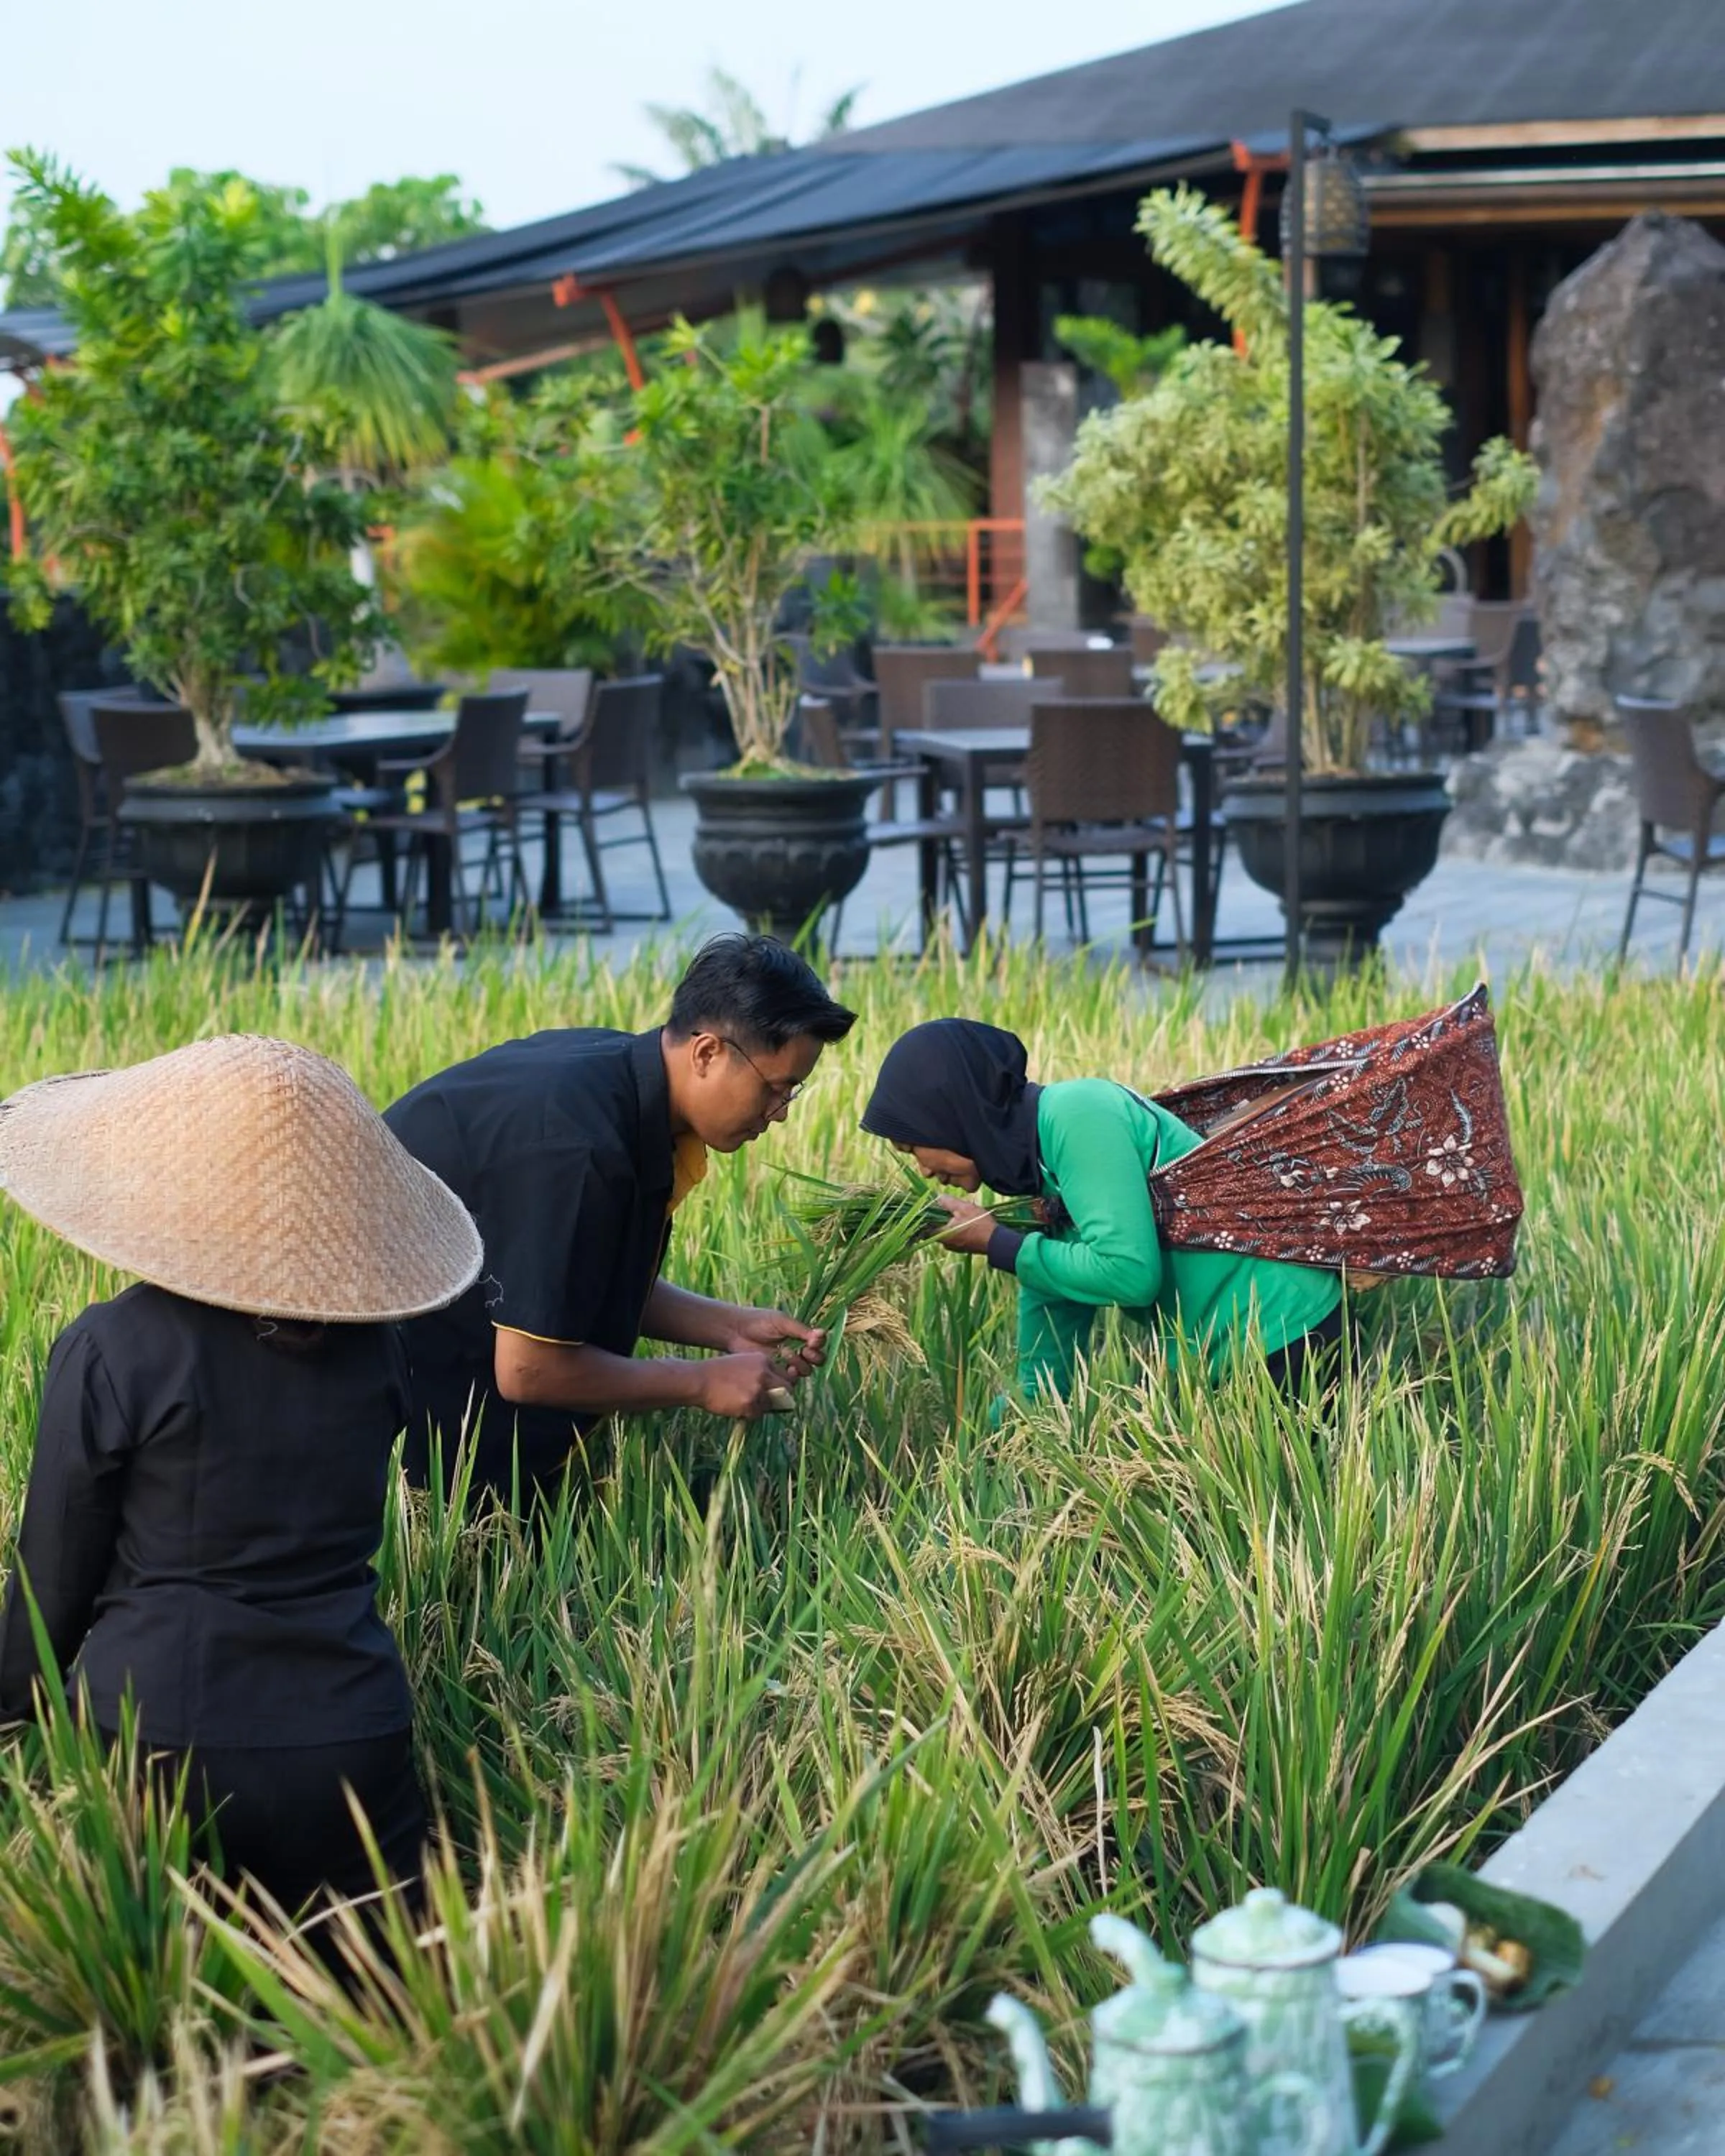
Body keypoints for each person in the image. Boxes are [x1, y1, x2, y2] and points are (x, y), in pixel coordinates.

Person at [0, 1034, 483, 1922]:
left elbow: (53, 1583)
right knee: (368, 2018)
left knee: (173, 2034)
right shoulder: (380, 1350)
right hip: (349, 1743)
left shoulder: (113, 1349)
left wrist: (11, 1722)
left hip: (156, 1739)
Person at [384, 934, 857, 1508]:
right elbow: (530, 1369)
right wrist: (703, 1382)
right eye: (775, 1089)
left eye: (792, 1092)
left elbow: (572, 1281)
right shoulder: (580, 1148)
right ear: (707, 1053)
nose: (779, 1114)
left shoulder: (619, 1077)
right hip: (374, 1360)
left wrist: (729, 1327)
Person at [861, 1019, 1346, 1408]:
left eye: (915, 1145)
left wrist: (996, 1243)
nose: (923, 1169)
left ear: (952, 1112)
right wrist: (993, 1441)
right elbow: (1048, 1345)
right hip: (1227, 1359)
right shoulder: (1039, 1173)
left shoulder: (1078, 1115)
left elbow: (1129, 1273)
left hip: (1284, 1338)